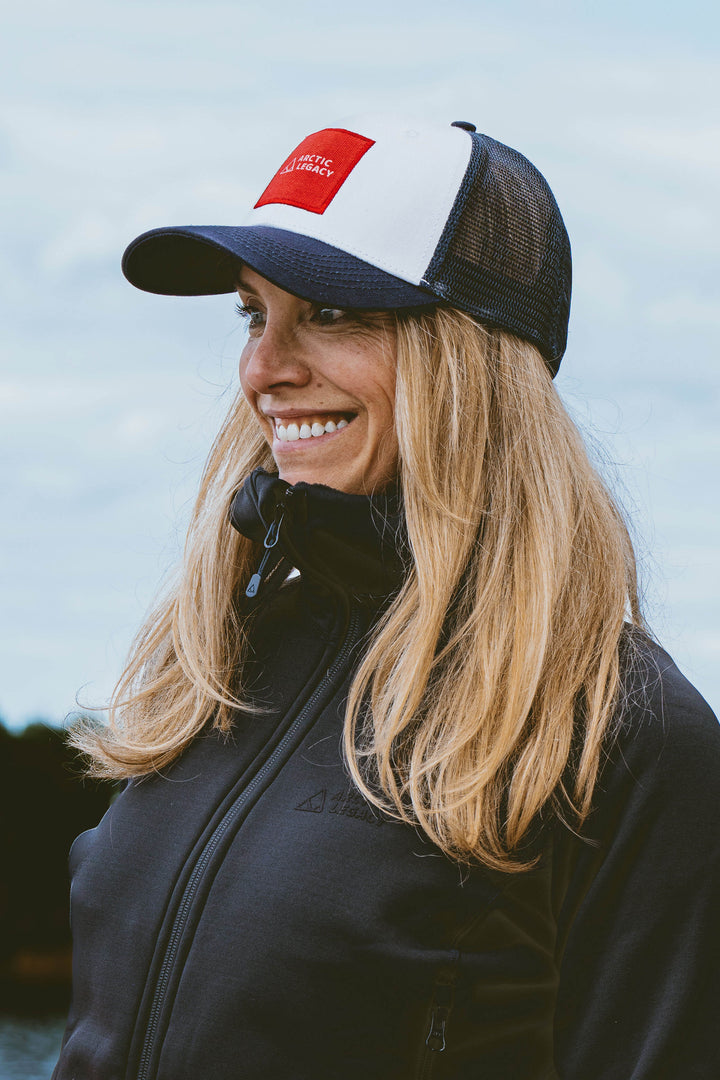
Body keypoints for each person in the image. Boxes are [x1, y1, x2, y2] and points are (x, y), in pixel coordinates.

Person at [53, 118, 719, 1080]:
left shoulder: (619, 734)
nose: (263, 368)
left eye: (329, 313)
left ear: (472, 361)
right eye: (254, 313)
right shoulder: (219, 672)